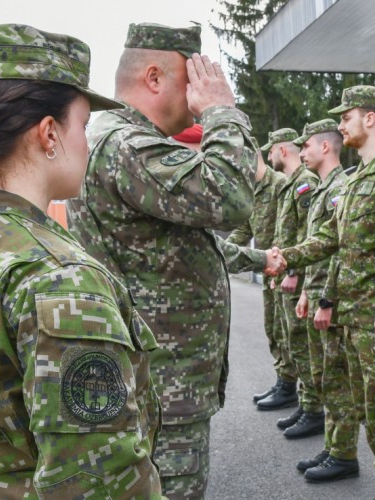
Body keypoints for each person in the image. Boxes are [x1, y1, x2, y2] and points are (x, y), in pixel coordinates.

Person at [0, 24, 161, 497]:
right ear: (49, 133)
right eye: (84, 125)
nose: (88, 143)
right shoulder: (59, 277)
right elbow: (97, 483)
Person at [66, 23, 256, 498]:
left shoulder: (122, 140)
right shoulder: (128, 143)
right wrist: (221, 110)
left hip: (160, 380)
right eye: (194, 79)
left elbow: (174, 246)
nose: (201, 93)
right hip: (162, 386)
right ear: (154, 78)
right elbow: (231, 196)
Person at [273, 86, 375, 499]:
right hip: (353, 318)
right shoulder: (356, 180)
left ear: (368, 119)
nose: (340, 125)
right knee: (369, 409)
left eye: (346, 117)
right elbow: (331, 241)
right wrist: (285, 257)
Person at [290, 119, 356, 476]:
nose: (302, 152)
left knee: (336, 380)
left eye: (307, 146)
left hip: (332, 298)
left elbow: (337, 251)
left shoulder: (340, 188)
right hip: (317, 291)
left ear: (325, 147)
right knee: (324, 378)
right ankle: (333, 445)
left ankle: (344, 453)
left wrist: (326, 300)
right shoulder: (323, 188)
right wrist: (306, 291)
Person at [256, 128, 320, 422]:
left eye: (270, 151)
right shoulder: (291, 184)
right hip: (284, 273)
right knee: (289, 339)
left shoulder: (305, 183)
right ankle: (303, 403)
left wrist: (293, 269)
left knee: (300, 343)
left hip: (297, 277)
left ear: (282, 150)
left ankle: (312, 408)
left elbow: (308, 233)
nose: (268, 156)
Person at [225, 147, 289, 405]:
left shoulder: (281, 185)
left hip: (284, 269)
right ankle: (283, 381)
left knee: (289, 334)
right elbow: (243, 229)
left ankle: (293, 387)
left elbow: (294, 229)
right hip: (267, 272)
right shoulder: (252, 191)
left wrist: (288, 268)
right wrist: (223, 252)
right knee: (273, 329)